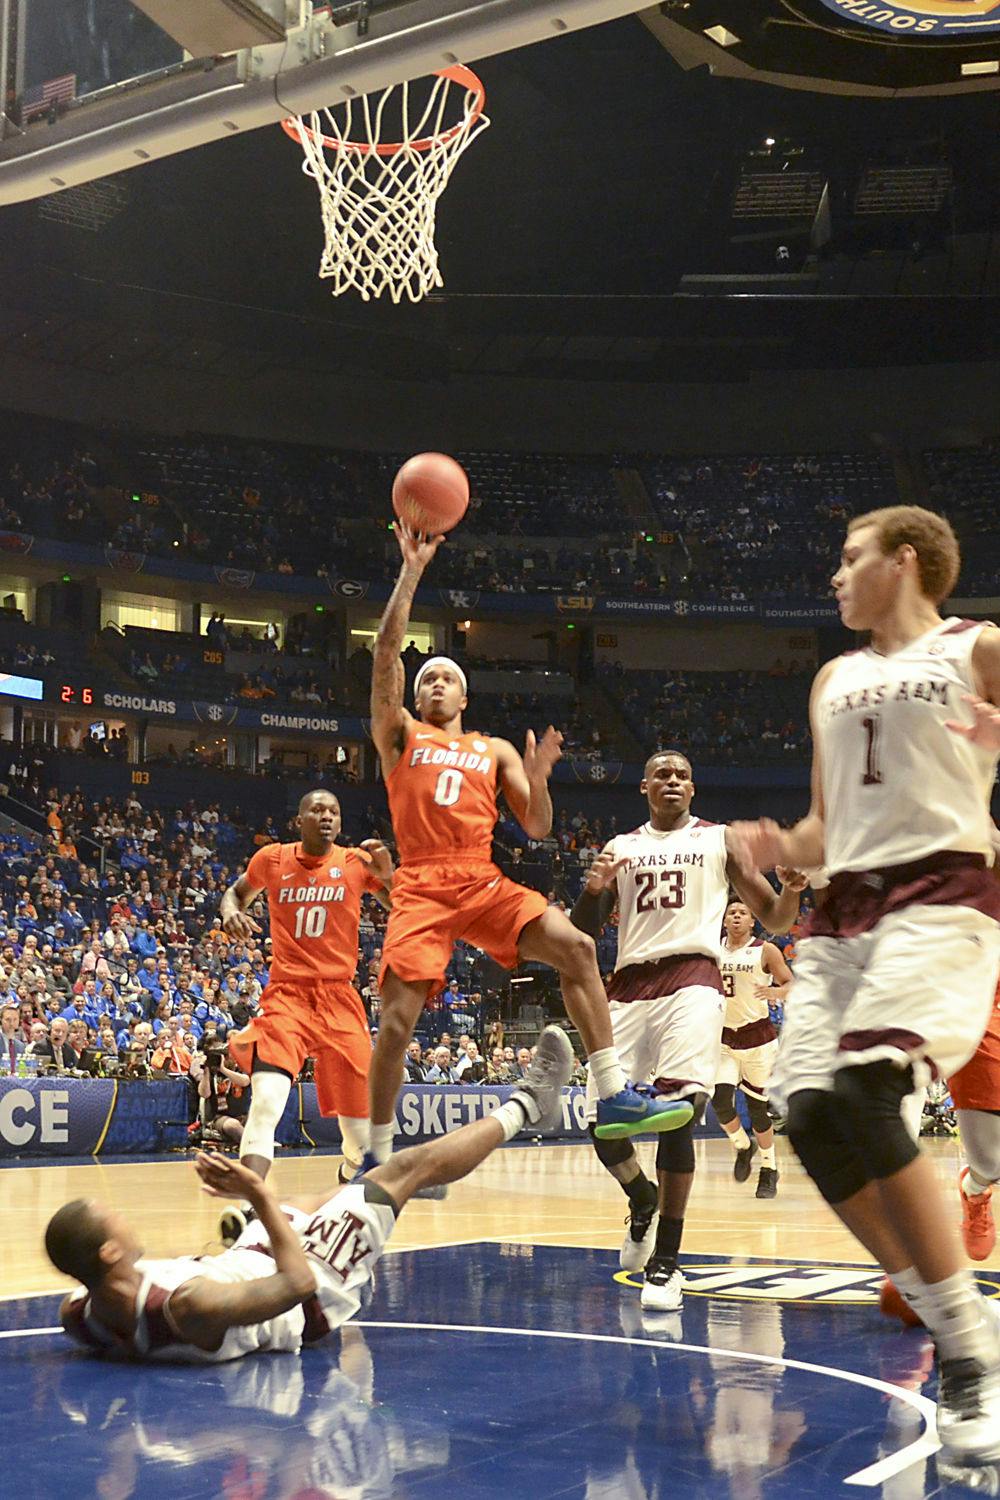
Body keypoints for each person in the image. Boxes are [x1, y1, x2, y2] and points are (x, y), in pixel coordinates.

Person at [731, 505, 1000, 1463]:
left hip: (941, 894)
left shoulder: (978, 646)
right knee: (807, 1113)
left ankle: (971, 1353)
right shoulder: (834, 678)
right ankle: (938, 1305)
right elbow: (821, 828)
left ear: (907, 560)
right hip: (843, 912)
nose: (835, 576)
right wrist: (774, 846)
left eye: (850, 559)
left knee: (867, 1088)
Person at [363, 522, 688, 1175]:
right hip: (423, 881)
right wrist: (411, 571)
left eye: (446, 677)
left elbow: (537, 826)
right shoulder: (398, 735)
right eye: (426, 676)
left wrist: (537, 782)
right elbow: (385, 653)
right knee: (396, 1023)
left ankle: (612, 1091)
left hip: (480, 879)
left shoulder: (495, 750)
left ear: (464, 696)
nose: (434, 683)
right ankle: (370, 1152)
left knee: (576, 948)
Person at [47, 1027, 573, 1362]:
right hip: (312, 1291)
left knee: (324, 1197)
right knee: (405, 1167)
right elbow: (297, 1282)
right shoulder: (191, 1306)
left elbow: (101, 1310)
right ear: (108, 1252)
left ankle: (389, 1192)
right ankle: (529, 1106)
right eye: (111, 1219)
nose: (122, 1217)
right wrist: (255, 1190)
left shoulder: (82, 1309)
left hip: (245, 1264)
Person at [572, 750, 803, 1313]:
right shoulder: (620, 848)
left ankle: (667, 1261)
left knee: (679, 1113)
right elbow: (578, 935)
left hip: (693, 979)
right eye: (662, 775)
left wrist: (792, 889)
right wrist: (591, 888)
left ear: (693, 789)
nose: (672, 781)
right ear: (645, 787)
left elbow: (774, 917)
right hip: (627, 985)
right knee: (604, 1126)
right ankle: (641, 1196)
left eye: (682, 775)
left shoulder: (719, 840)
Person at [220, 789, 392, 1209]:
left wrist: (389, 874)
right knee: (267, 1102)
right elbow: (235, 894)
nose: (327, 817)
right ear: (299, 821)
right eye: (317, 810)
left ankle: (349, 1171)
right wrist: (230, 913)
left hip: (339, 998)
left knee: (359, 1137)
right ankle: (249, 1208)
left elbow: (400, 906)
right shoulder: (273, 859)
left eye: (334, 810)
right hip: (288, 998)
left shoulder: (355, 862)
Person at [714, 898, 793, 1199]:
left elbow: (791, 983)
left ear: (752, 922)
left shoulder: (765, 950)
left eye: (742, 913)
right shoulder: (712, 949)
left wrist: (775, 991)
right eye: (731, 913)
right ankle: (742, 1146)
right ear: (724, 921)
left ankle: (769, 1169)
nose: (736, 916)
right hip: (723, 1038)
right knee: (721, 1102)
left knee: (759, 1112)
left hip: (758, 1039)